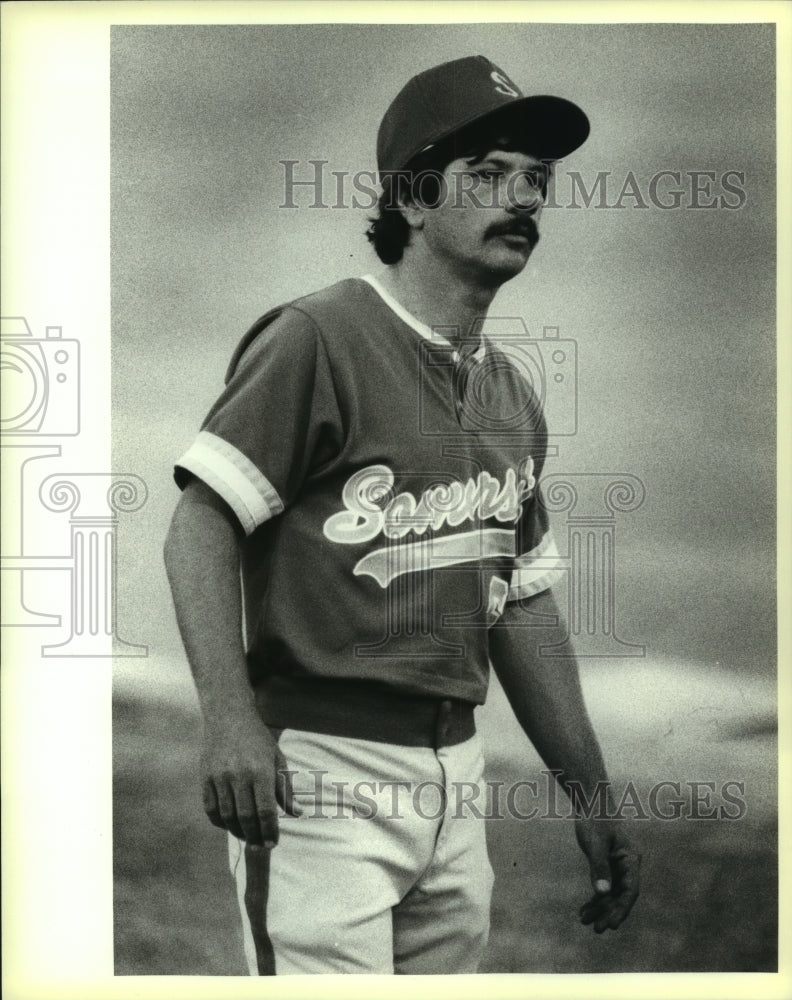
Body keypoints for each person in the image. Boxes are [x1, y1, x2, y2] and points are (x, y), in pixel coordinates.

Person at [164, 54, 641, 975]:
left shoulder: (510, 392)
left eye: (536, 178)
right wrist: (228, 719)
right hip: (321, 773)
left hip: (455, 781)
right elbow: (202, 523)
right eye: (489, 173)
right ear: (415, 200)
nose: (524, 198)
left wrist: (591, 793)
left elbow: (523, 604)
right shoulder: (319, 336)